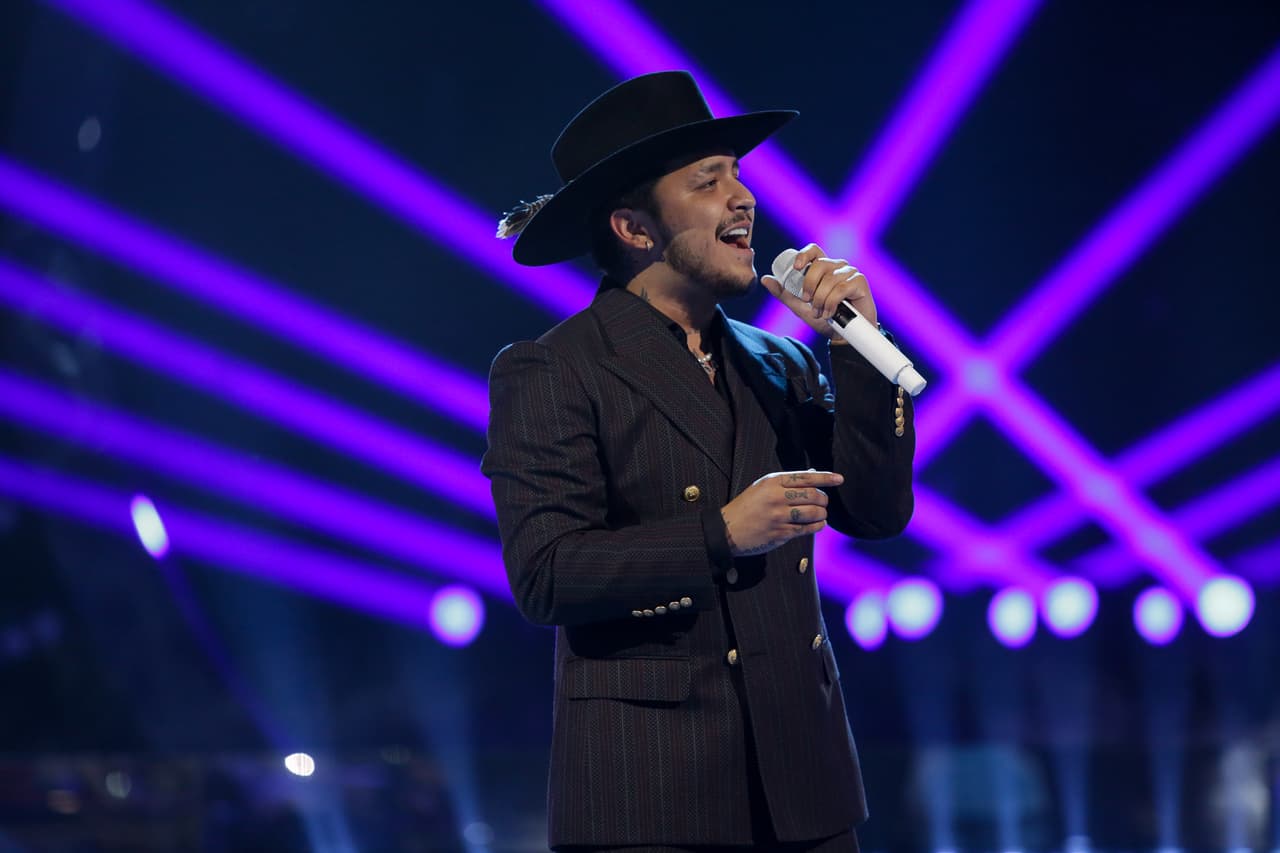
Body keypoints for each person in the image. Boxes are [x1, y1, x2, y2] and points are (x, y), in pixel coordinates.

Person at [481, 71, 915, 852]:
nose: (742, 198)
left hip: (804, 786)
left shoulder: (780, 361)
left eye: (739, 176)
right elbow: (545, 572)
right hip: (652, 793)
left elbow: (876, 514)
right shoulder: (555, 367)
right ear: (635, 228)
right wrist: (719, 532)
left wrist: (852, 352)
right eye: (707, 181)